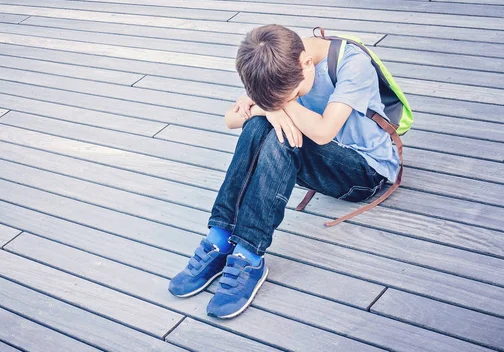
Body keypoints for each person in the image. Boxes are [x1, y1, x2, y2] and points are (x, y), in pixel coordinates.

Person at [168, 24, 400, 319]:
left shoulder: (352, 64)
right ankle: (220, 239)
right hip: (321, 158)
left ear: (306, 65)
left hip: (365, 171)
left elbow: (323, 132)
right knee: (262, 124)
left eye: (291, 95)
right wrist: (271, 109)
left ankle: (249, 255)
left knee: (280, 134)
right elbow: (231, 119)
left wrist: (273, 107)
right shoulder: (274, 58)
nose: (283, 100)